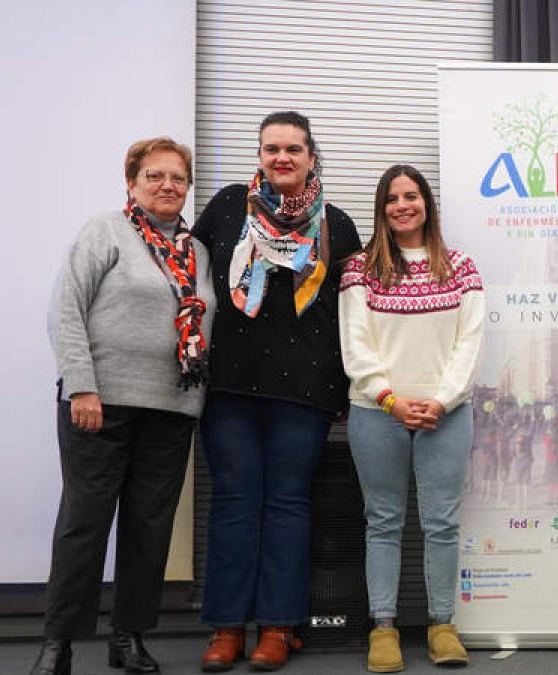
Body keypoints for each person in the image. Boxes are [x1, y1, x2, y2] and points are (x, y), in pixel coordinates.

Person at [33, 137, 214, 675]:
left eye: (177, 178)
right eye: (155, 176)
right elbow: (66, 310)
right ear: (132, 183)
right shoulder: (104, 231)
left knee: (148, 529)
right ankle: (57, 643)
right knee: (83, 524)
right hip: (100, 404)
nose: (167, 186)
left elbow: (205, 330)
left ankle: (129, 637)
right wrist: (81, 386)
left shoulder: (196, 250)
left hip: (170, 408)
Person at [193, 111, 361, 671]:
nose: (282, 158)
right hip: (229, 383)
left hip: (306, 388)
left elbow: (350, 314)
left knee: (289, 505)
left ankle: (278, 626)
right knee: (235, 503)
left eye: (293, 149)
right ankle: (225, 627)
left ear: (312, 157)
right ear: (259, 156)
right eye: (272, 149)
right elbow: (189, 283)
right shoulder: (224, 207)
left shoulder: (337, 224)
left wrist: (345, 385)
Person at [339, 164, 485, 672]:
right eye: (392, 199)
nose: (402, 205)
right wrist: (390, 401)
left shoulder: (462, 269)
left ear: (427, 203)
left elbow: (469, 346)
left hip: (446, 415)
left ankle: (442, 625)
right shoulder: (359, 269)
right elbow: (355, 347)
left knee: (441, 524)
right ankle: (384, 628)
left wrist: (440, 401)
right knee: (383, 522)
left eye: (412, 196)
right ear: (381, 210)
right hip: (377, 414)